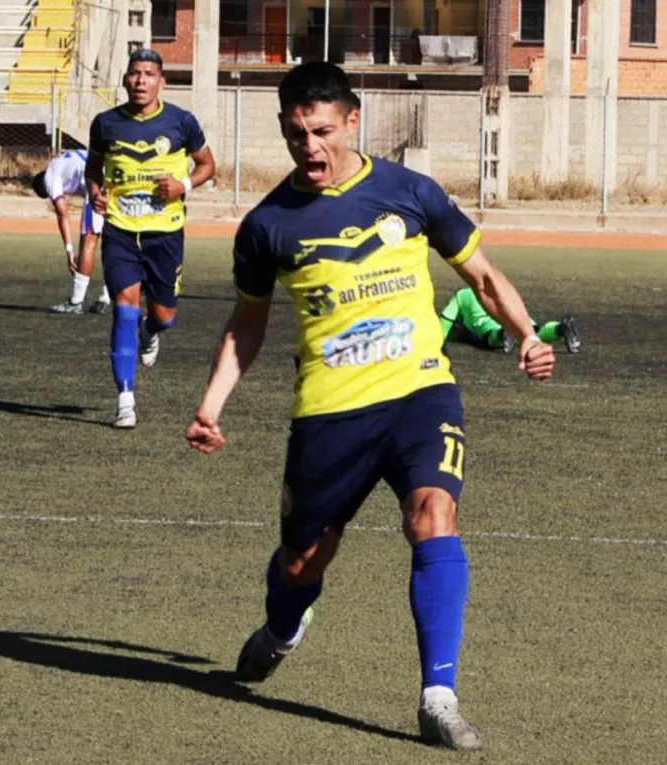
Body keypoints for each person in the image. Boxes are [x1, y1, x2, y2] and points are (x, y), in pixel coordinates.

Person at [184, 62, 556, 751]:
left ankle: (438, 695)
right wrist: (212, 405)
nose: (310, 147)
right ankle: (284, 627)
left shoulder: (409, 192)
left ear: (352, 121)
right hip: (330, 410)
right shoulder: (266, 226)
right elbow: (247, 323)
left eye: (322, 130)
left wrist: (527, 334)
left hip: (420, 392)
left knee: (433, 515)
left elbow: (481, 272)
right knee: (304, 560)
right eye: (297, 134)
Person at [85, 48, 216, 428]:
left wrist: (184, 184)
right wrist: (95, 191)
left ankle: (150, 331)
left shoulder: (181, 122)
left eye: (148, 74)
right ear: (125, 79)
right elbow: (94, 169)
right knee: (124, 308)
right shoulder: (105, 123)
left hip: (165, 234)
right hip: (121, 231)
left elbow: (208, 164)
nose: (141, 80)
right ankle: (125, 399)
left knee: (164, 315)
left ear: (162, 81)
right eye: (134, 73)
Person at [32, 149, 110, 315]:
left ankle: (76, 301)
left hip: (97, 182)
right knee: (114, 240)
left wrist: (69, 251)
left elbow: (63, 214)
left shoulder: (50, 178)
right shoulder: (65, 160)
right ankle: (106, 297)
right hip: (112, 174)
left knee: (88, 241)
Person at [441, 286, 581, 354]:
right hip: (511, 308)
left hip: (485, 320)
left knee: (490, 336)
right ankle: (560, 328)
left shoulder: (462, 294)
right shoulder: (494, 283)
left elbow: (442, 328)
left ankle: (503, 334)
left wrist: (462, 336)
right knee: (533, 334)